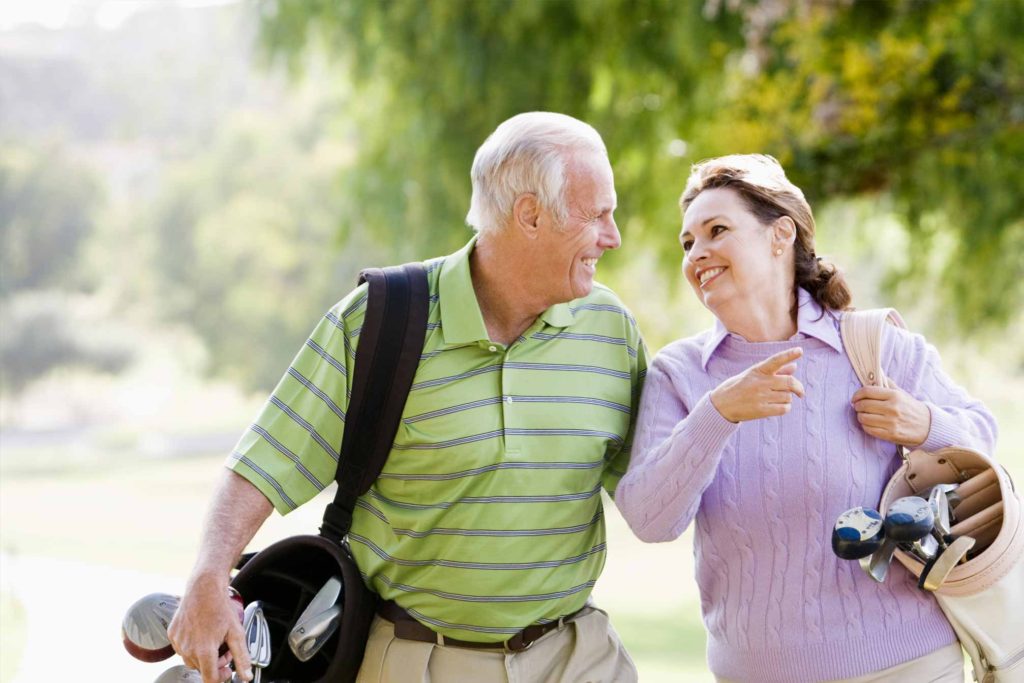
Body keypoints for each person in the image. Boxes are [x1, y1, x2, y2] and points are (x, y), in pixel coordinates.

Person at [168, 112, 646, 683]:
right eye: (597, 215)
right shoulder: (380, 322)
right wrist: (207, 576)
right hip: (422, 661)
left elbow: (658, 485)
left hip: (578, 658)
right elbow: (264, 462)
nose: (613, 236)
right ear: (530, 215)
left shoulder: (610, 330)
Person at [615, 154, 997, 683]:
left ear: (781, 236)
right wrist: (718, 415)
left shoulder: (872, 345)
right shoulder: (680, 374)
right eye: (687, 243)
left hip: (909, 665)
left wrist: (924, 422)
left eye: (716, 230)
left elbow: (984, 442)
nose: (697, 253)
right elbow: (649, 521)